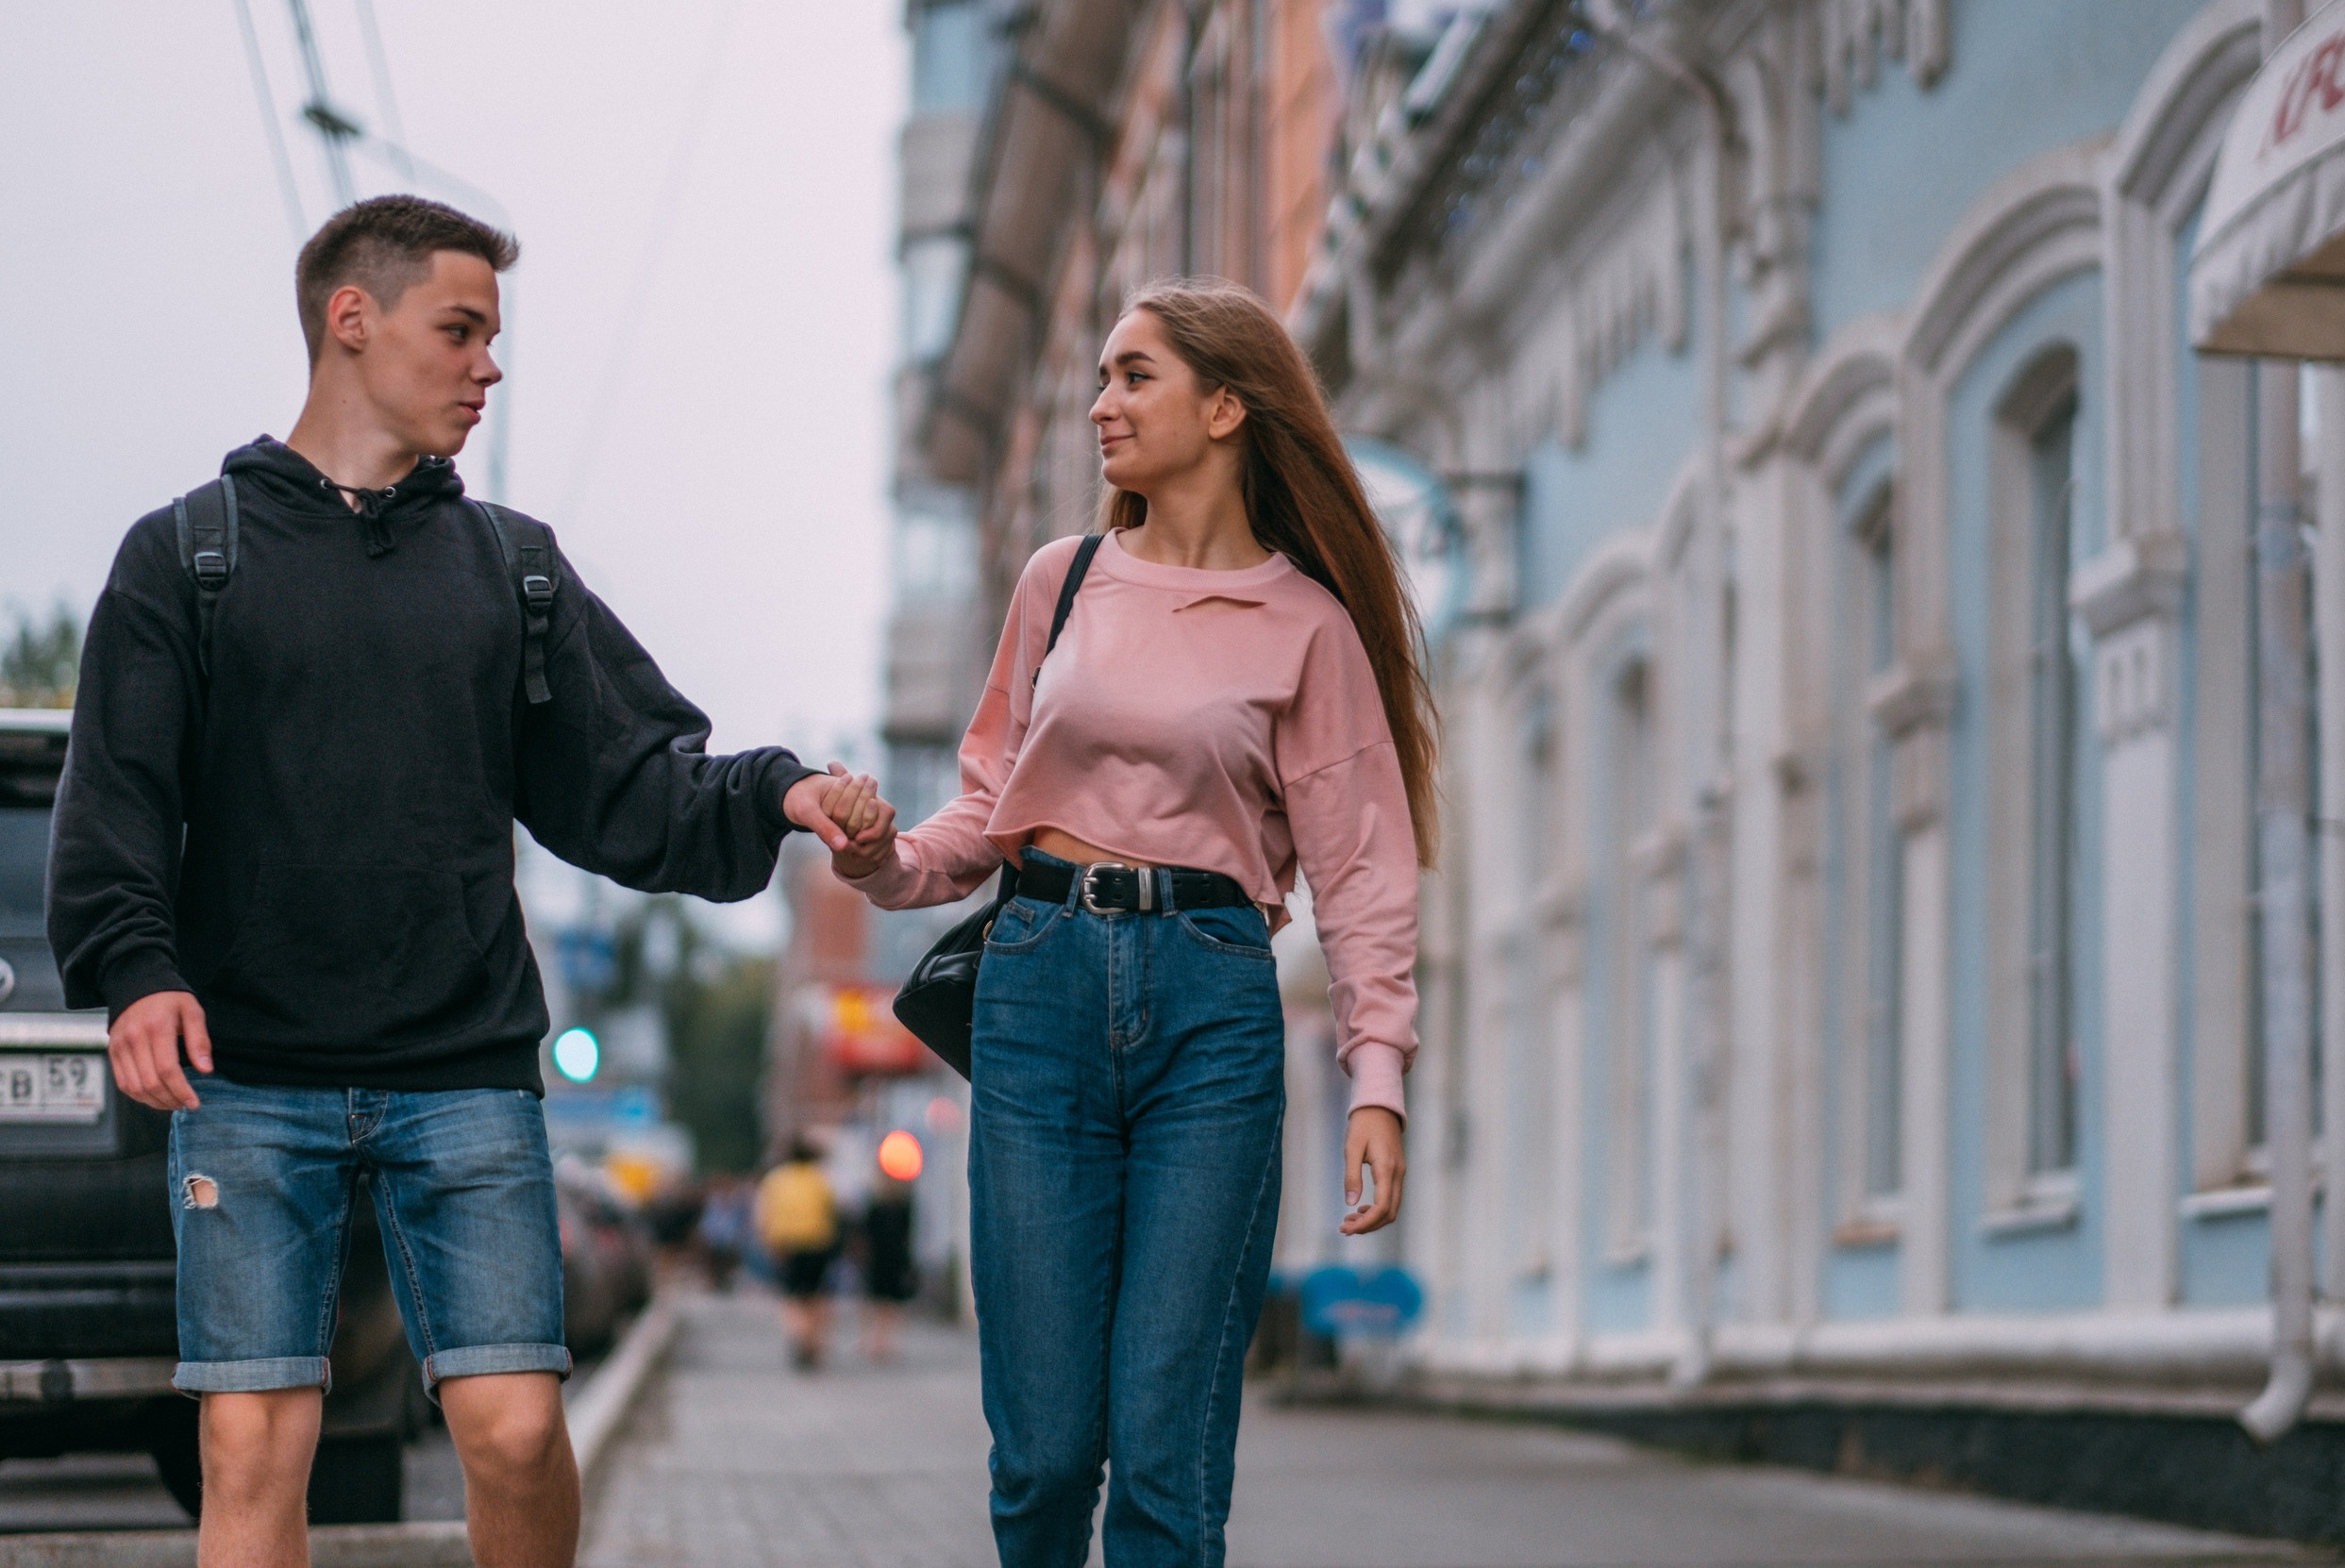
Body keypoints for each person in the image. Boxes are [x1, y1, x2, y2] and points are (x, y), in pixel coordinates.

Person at [44, 194, 881, 1568]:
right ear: (350, 319)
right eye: (462, 328)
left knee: (508, 1431)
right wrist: (136, 970)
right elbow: (116, 802)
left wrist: (774, 791)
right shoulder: (189, 558)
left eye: (493, 334)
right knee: (252, 1445)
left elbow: (630, 779)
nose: (489, 363)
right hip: (250, 1077)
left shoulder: (512, 570)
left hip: (463, 1075)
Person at [834, 277, 1434, 1568]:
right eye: (1102, 375)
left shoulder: (1309, 625)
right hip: (1039, 987)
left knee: (1166, 1455)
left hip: (1212, 1008)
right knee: (1045, 1453)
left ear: (1227, 404)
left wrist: (1375, 1070)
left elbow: (1366, 868)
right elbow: (989, 807)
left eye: (1133, 375)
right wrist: (887, 858)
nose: (1101, 404)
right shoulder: (1065, 581)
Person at [755, 1137, 843, 1368]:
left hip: (787, 1243)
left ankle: (799, 1333)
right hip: (819, 1242)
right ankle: (813, 1340)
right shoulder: (820, 1178)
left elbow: (763, 1215)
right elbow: (833, 1211)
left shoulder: (775, 1179)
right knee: (816, 1295)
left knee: (792, 1295)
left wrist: (768, 1242)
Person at [859, 1170, 918, 1363]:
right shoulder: (904, 1206)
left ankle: (874, 1339)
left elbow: (866, 1234)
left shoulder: (876, 1206)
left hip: (879, 1258)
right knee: (890, 1302)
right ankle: (884, 1341)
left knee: (877, 1300)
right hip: (895, 1259)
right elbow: (907, 1235)